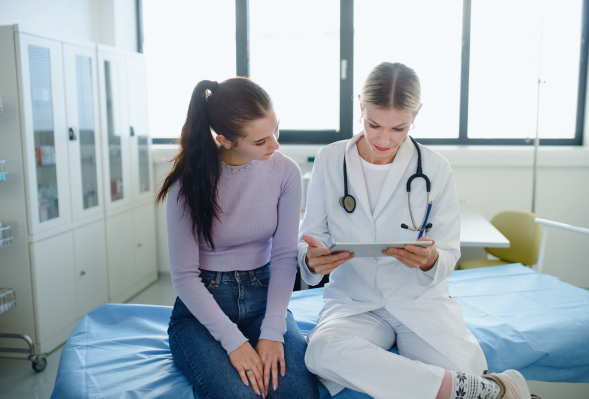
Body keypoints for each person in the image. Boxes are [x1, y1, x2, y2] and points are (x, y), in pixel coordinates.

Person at [298, 63, 537, 399]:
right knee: (321, 352)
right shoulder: (329, 160)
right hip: (355, 301)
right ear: (360, 107)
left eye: (399, 128)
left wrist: (429, 260)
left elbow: (450, 253)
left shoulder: (436, 168)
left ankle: (468, 384)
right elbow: (312, 236)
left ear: (416, 115)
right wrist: (312, 260)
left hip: (418, 301)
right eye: (373, 124)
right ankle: (488, 391)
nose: (383, 139)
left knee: (462, 366)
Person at [157, 78, 319, 399]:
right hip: (201, 313)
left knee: (298, 393)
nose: (274, 146)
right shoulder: (186, 184)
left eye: (276, 131)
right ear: (225, 140)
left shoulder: (285, 172)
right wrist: (236, 344)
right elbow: (185, 278)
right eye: (260, 141)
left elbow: (285, 256)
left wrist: (273, 331)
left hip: (262, 300)